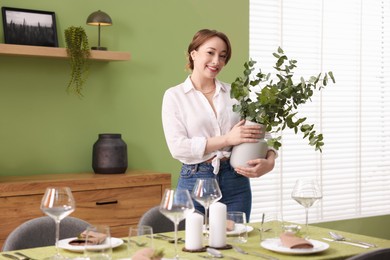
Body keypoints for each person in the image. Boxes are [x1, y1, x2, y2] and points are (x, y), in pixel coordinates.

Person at [161, 29, 276, 221]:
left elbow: (264, 134)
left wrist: (270, 160)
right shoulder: (175, 96)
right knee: (192, 246)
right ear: (193, 53)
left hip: (236, 182)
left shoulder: (237, 94)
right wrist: (227, 139)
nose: (216, 61)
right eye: (210, 53)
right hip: (193, 182)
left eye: (223, 56)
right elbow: (178, 147)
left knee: (236, 244)